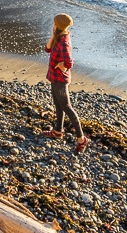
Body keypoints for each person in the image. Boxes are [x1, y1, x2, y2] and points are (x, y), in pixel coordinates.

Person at [43, 13, 89, 152]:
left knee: (67, 107)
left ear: (58, 24)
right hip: (54, 77)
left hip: (60, 80)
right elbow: (47, 49)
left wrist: (62, 66)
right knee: (58, 104)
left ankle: (82, 139)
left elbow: (69, 62)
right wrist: (52, 34)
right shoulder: (59, 36)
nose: (53, 24)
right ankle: (58, 131)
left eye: (54, 22)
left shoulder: (64, 41)